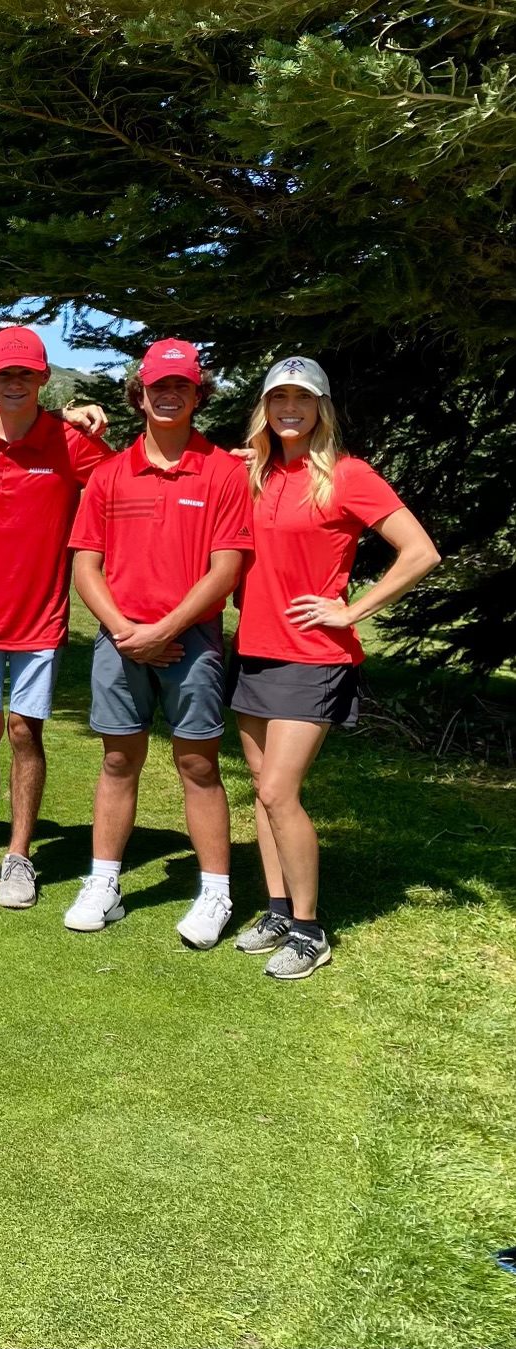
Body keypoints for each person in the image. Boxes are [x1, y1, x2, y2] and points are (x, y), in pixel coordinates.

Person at [229, 356, 439, 978]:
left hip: (313, 654)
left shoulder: (348, 475)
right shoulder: (257, 473)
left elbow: (421, 552)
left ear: (321, 407)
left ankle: (309, 928)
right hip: (255, 650)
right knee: (263, 796)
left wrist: (353, 611)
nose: (288, 409)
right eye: (278, 399)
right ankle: (276, 908)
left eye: (302, 398)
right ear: (264, 408)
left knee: (276, 790)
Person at [66, 338, 254, 947]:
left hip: (190, 642)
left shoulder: (223, 471)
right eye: (158, 386)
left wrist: (164, 631)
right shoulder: (110, 474)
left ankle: (216, 893)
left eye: (181, 386)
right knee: (119, 759)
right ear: (139, 394)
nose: (168, 395)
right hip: (119, 640)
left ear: (197, 394)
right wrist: (127, 632)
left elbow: (225, 569)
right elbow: (85, 568)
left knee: (197, 764)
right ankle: (104, 883)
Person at [0, 327, 113, 909]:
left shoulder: (71, 443)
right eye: (5, 374)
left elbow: (133, 480)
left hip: (40, 618)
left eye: (27, 374)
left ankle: (20, 858)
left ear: (42, 380)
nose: (15, 383)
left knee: (23, 731)